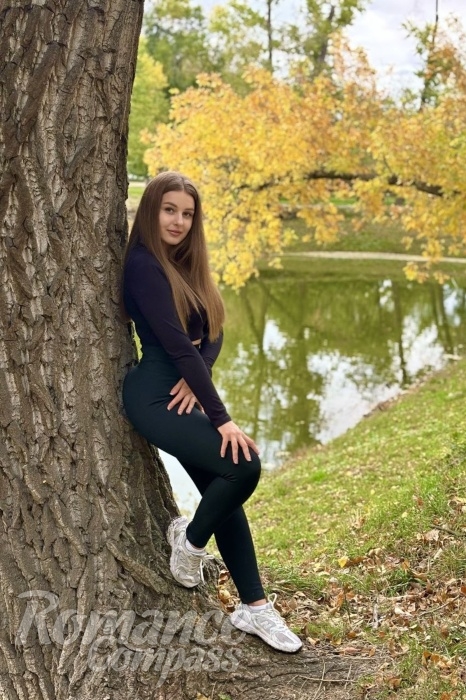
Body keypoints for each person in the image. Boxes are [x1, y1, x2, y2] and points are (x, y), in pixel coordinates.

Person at [120, 171, 302, 654]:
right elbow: (179, 345)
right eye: (169, 210)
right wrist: (222, 418)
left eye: (187, 213)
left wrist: (199, 374)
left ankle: (255, 608)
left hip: (184, 388)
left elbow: (213, 331)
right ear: (151, 209)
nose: (178, 221)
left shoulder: (186, 263)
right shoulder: (143, 265)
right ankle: (190, 542)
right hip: (153, 397)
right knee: (244, 465)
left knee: (225, 489)